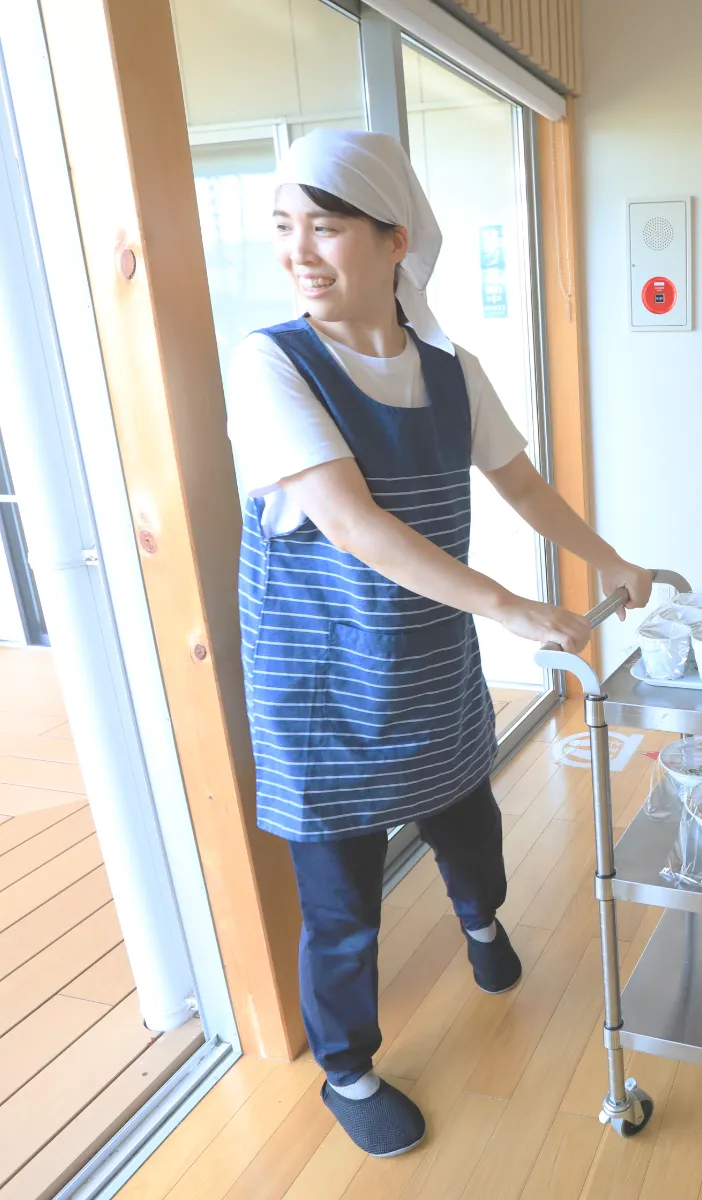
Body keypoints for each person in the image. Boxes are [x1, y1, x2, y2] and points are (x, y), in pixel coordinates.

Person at [226, 129, 651, 1159]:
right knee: (341, 904)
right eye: (284, 227)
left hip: (426, 662)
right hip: (322, 686)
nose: (298, 252)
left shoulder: (451, 372)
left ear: (394, 241)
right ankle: (348, 1070)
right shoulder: (272, 361)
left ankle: (480, 922)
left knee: (470, 830)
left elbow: (523, 485)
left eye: (325, 227)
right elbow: (353, 524)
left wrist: (608, 560)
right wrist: (512, 608)